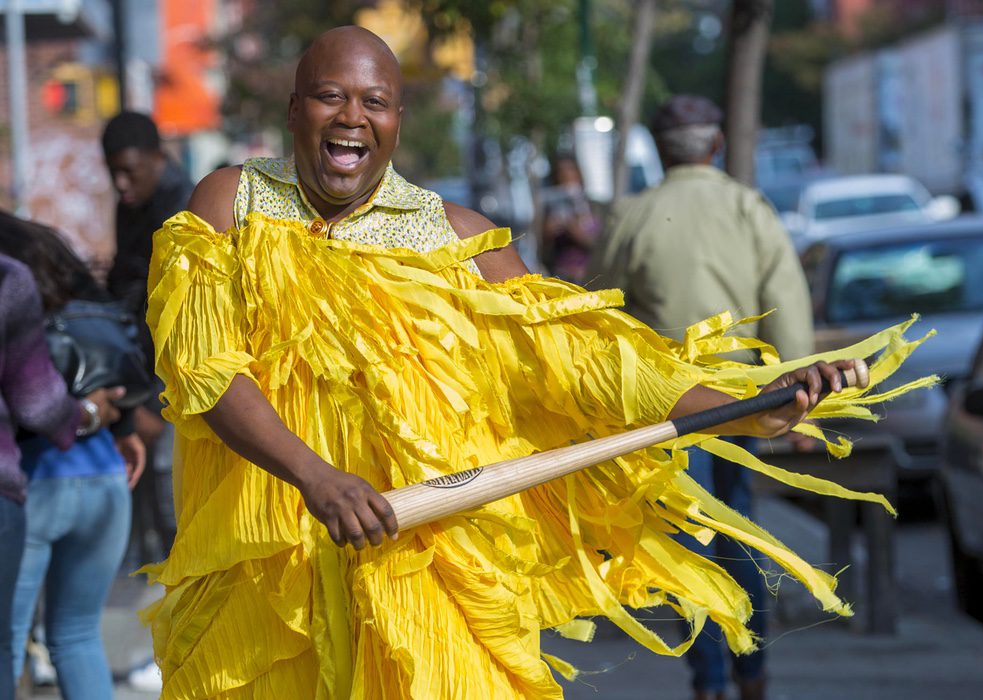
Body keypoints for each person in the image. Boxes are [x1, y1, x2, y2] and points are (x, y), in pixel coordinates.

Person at [141, 26, 925, 698]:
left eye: (373, 102)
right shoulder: (231, 204)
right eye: (329, 97)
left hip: (430, 572)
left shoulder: (452, 236)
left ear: (397, 122)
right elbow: (204, 367)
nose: (352, 118)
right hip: (270, 579)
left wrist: (745, 401)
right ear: (293, 110)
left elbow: (582, 358)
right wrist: (315, 476)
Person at [588, 95, 815, 700]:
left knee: (690, 542)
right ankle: (753, 672)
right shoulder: (748, 207)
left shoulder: (633, 214)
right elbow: (786, 303)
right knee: (739, 535)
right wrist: (798, 402)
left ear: (663, 152)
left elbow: (594, 312)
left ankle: (709, 681)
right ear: (714, 146)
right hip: (745, 402)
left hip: (669, 407)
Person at [0, 213, 144, 700]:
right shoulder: (81, 301)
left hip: (36, 481)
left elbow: (35, 405)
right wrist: (121, 428)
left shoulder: (17, 297)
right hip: (106, 479)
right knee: (79, 636)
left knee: (9, 641)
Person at [102, 111, 193, 569]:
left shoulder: (185, 207)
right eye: (112, 171)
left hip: (177, 388)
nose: (120, 183)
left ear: (158, 158)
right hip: (142, 376)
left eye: (129, 171)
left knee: (172, 500)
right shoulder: (132, 204)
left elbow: (186, 315)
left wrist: (157, 400)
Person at [540, 155, 600, 284]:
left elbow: (599, 243)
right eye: (561, 173)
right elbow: (541, 245)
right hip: (561, 275)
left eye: (570, 171)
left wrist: (573, 229)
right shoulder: (550, 206)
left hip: (589, 274)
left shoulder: (593, 205)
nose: (566, 177)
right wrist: (548, 231)